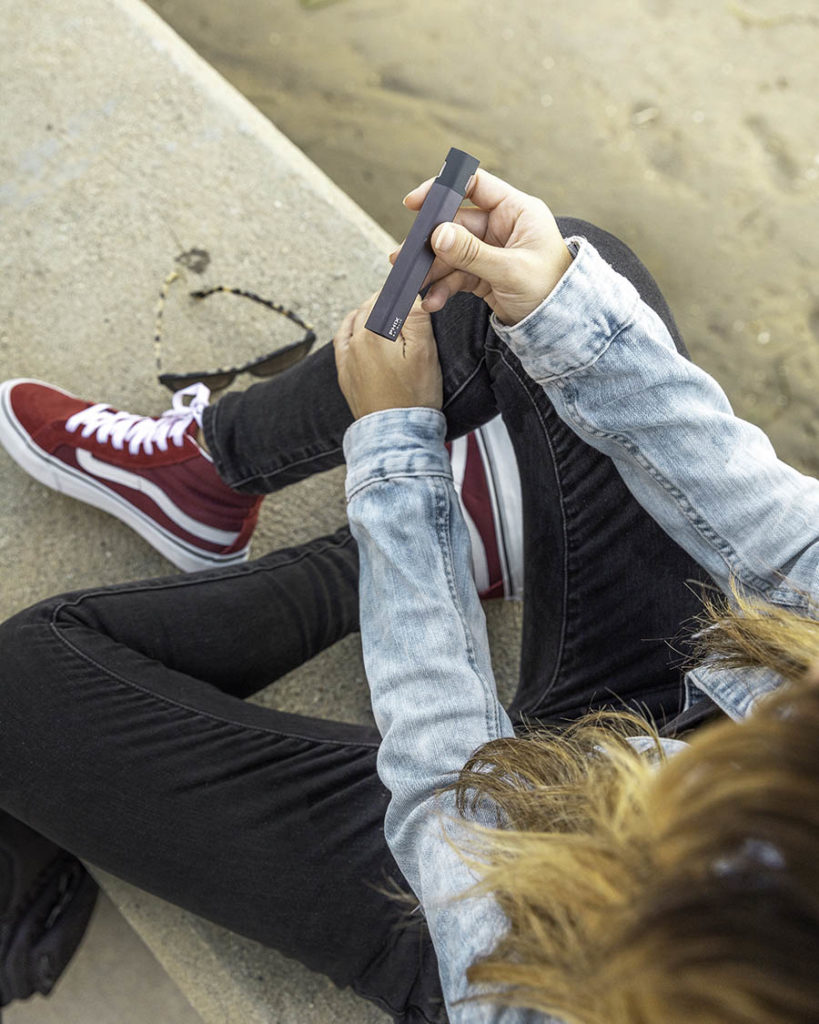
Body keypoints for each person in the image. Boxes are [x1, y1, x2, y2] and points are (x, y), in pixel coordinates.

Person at [0, 168, 816, 1024]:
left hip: (519, 898)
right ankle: (208, 474)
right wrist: (558, 310)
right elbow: (798, 549)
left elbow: (447, 806)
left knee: (24, 687)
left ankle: (449, 530)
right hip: (697, 706)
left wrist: (394, 457)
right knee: (533, 277)